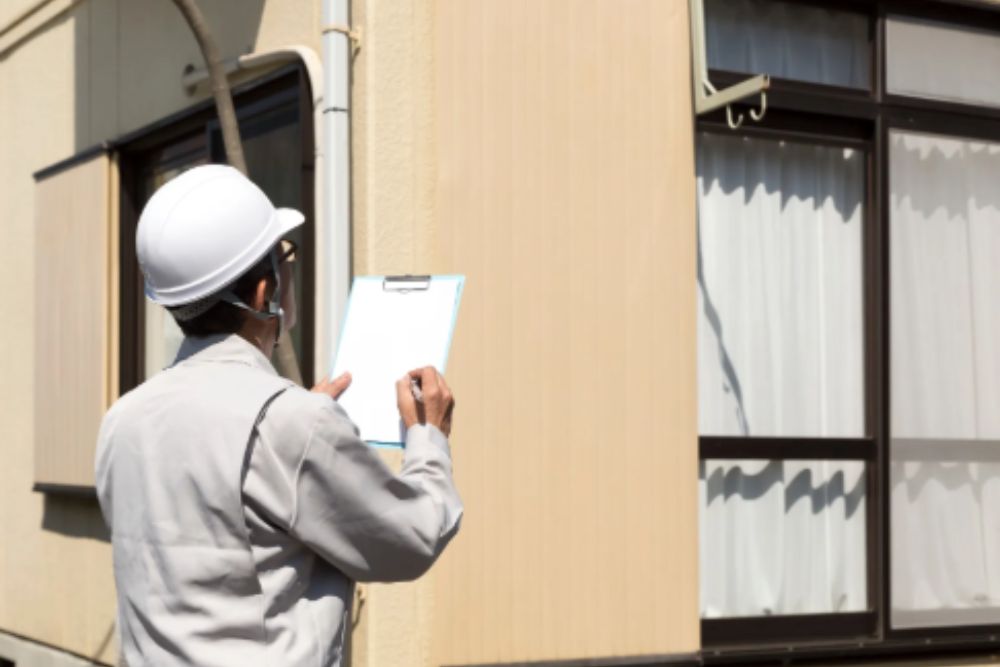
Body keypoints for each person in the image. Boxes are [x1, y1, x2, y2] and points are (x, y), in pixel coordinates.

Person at [95, 164, 462, 667]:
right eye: (285, 257)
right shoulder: (288, 425)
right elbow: (411, 538)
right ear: (264, 292)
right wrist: (428, 437)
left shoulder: (122, 419)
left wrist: (298, 426)